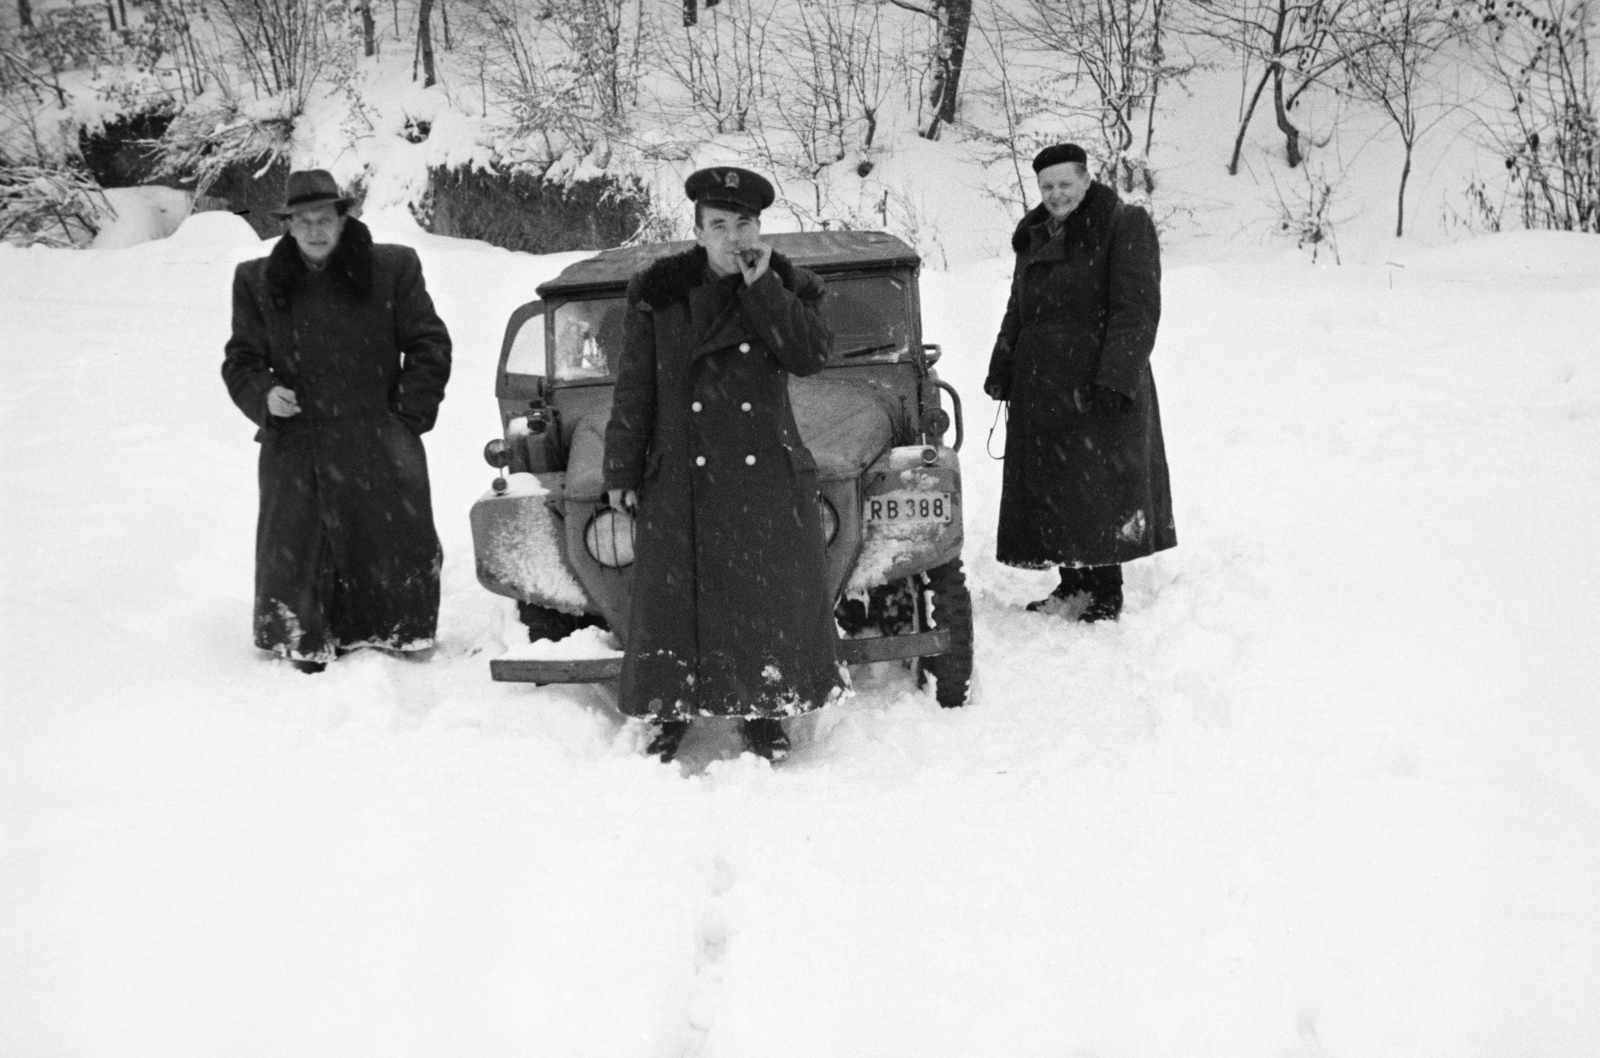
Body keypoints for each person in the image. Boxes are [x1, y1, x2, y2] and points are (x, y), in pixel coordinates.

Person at [603, 165, 848, 763]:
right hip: (682, 469)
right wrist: (620, 472)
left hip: (761, 468)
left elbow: (810, 356)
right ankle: (670, 708)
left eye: (744, 223)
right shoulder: (658, 294)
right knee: (672, 604)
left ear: (759, 227)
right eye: (719, 224)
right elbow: (635, 386)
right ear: (698, 230)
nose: (733, 236)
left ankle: (764, 707)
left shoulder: (790, 286)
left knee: (761, 601)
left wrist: (765, 289)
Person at [222, 169, 452, 672]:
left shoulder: (391, 268)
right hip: (298, 441)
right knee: (301, 546)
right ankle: (305, 636)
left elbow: (429, 345)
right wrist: (265, 395)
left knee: (390, 539)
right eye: (301, 220)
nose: (314, 229)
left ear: (344, 218)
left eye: (323, 217)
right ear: (287, 225)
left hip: (377, 435)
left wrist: (404, 419)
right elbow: (241, 360)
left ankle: (395, 630)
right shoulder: (257, 281)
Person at [983, 143, 1174, 620]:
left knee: (1098, 486)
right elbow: (1019, 307)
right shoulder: (1034, 233)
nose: (1056, 194)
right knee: (1055, 486)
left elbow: (1137, 309)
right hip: (1041, 384)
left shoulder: (1123, 223)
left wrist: (1117, 377)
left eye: (1065, 184)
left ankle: (1106, 591)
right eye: (1047, 186)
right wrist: (1002, 363)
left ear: (1087, 180)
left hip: (1095, 381)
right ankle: (1071, 584)